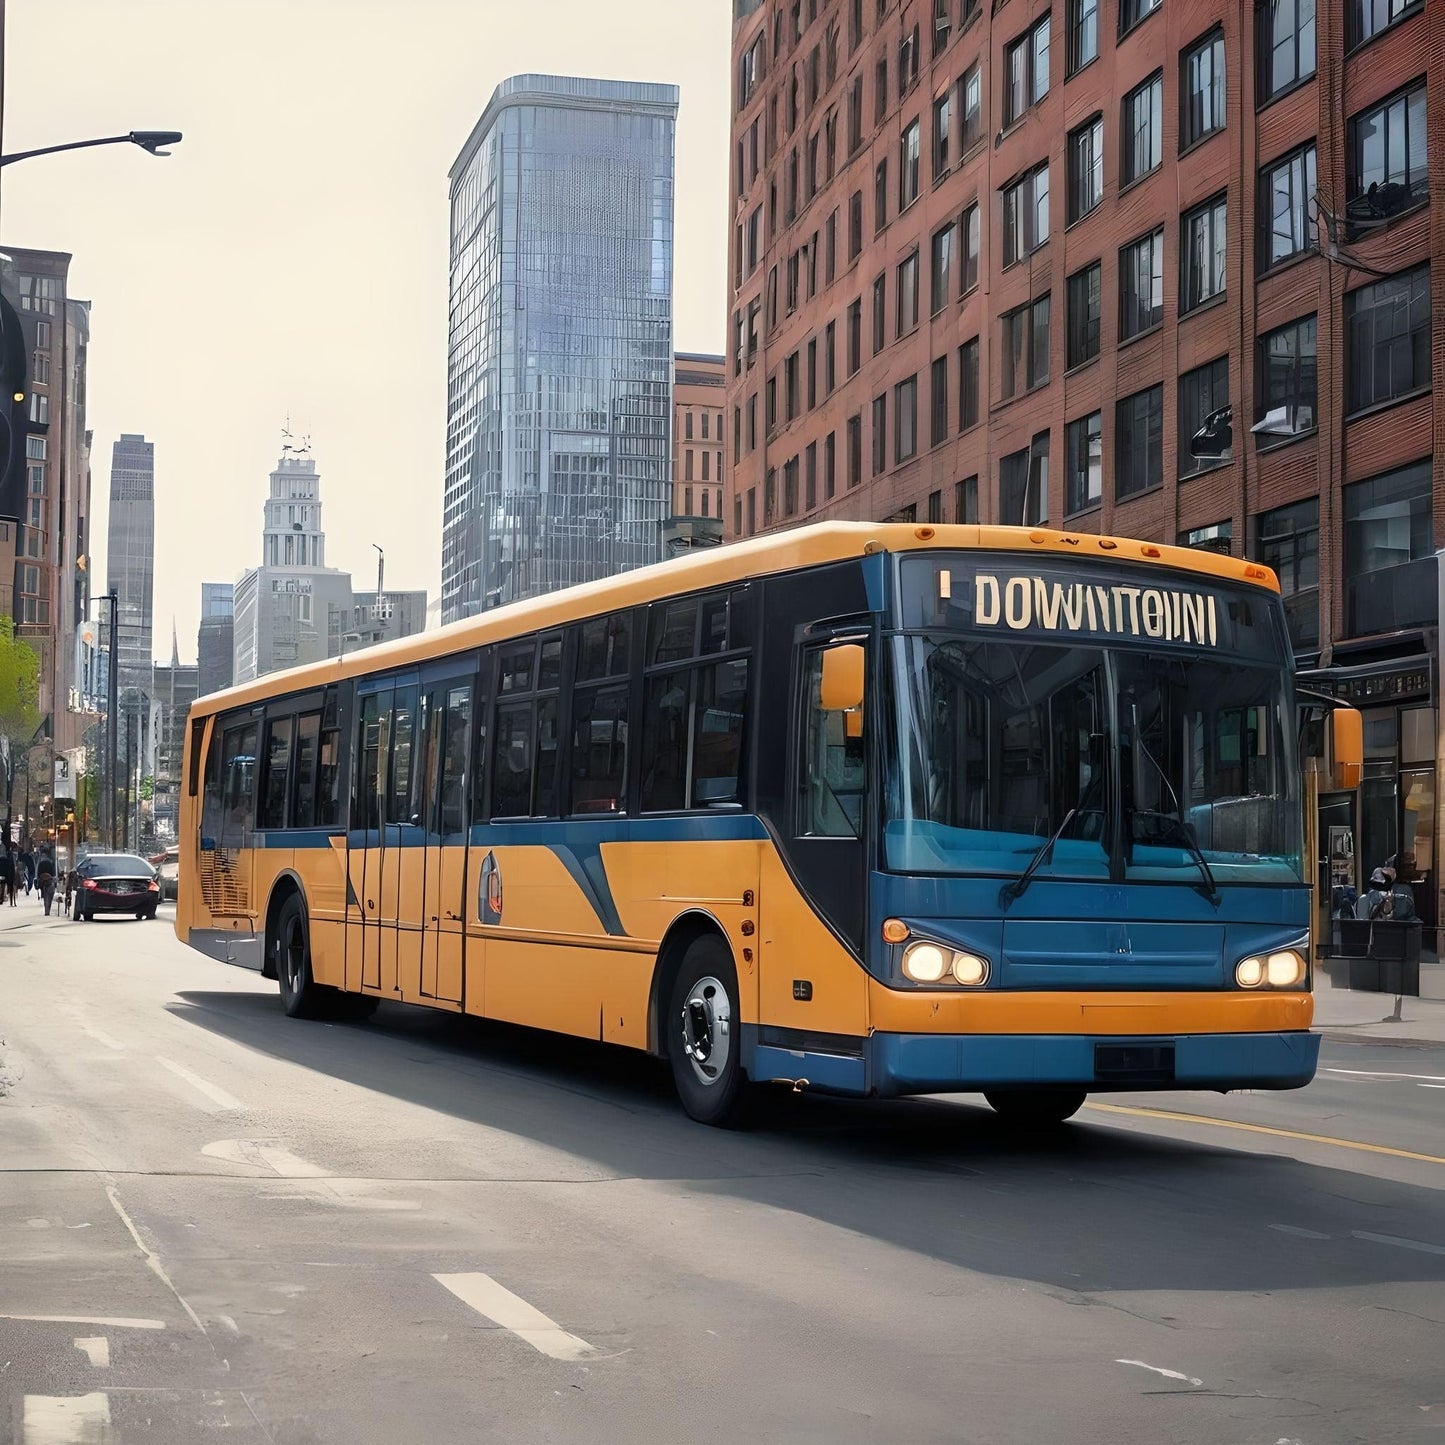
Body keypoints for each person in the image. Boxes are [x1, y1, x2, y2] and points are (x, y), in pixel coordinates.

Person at [34, 846, 56, 917]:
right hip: (49, 879)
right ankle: (48, 910)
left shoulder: (40, 863)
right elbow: (53, 873)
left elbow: (38, 872)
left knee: (44, 894)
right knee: (50, 895)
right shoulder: (51, 862)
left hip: (42, 880)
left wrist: (37, 879)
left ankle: (46, 909)